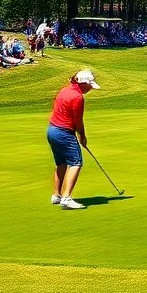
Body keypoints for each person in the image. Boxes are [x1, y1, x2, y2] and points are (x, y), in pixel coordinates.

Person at [48, 69, 99, 210]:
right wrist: (82, 136)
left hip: (52, 131)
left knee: (61, 163)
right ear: (83, 83)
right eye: (90, 85)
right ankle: (66, 198)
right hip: (64, 132)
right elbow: (78, 121)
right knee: (76, 163)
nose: (90, 88)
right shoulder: (77, 97)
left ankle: (56, 195)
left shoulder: (65, 90)